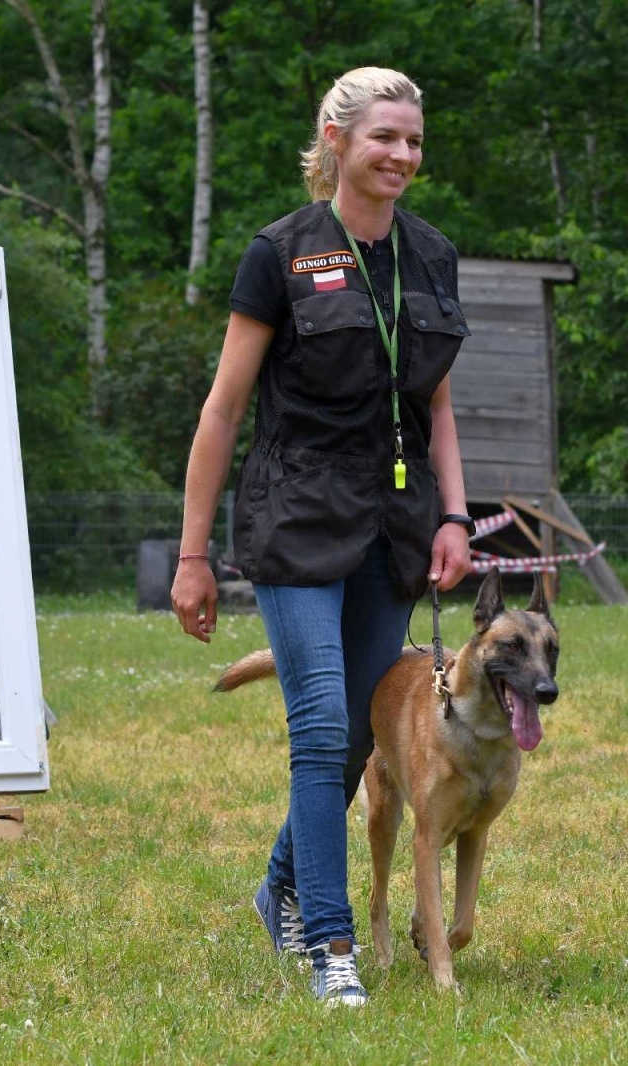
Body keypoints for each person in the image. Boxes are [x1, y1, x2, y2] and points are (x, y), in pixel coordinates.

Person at [171, 67, 476, 1007]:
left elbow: (436, 404)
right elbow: (223, 412)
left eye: (415, 140)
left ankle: (278, 888)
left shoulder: (431, 255)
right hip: (298, 518)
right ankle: (330, 947)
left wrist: (457, 514)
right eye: (385, 136)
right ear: (336, 140)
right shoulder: (281, 253)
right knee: (321, 730)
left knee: (360, 745)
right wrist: (193, 554)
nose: (403, 155)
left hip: (394, 525)